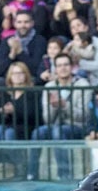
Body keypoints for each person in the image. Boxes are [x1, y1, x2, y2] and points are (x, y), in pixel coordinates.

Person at [29, 52, 91, 180]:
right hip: (55, 125)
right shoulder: (49, 87)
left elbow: (83, 116)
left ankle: (64, 174)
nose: (63, 68)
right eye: (59, 65)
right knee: (37, 133)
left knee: (58, 131)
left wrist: (64, 105)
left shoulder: (83, 84)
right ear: (55, 69)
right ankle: (32, 174)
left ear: (72, 67)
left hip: (77, 126)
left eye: (66, 65)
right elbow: (47, 119)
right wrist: (54, 106)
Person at [0, 61, 42, 177]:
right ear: (10, 76)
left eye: (21, 73)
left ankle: (21, 165)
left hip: (26, 127)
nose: (17, 76)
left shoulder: (32, 93)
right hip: (9, 125)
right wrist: (3, 113)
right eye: (14, 73)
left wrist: (15, 111)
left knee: (8, 134)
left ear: (26, 75)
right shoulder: (5, 94)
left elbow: (33, 114)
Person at [0, 9, 47, 78]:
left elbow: (36, 69)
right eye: (19, 22)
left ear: (32, 23)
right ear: (14, 24)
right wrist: (12, 55)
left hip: (31, 79)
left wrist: (20, 52)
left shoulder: (40, 41)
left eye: (26, 22)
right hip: (9, 80)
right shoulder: (7, 41)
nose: (23, 25)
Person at [68, 16, 98, 86]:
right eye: (73, 28)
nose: (76, 29)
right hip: (78, 84)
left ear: (86, 27)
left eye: (78, 25)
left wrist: (79, 63)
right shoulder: (70, 46)